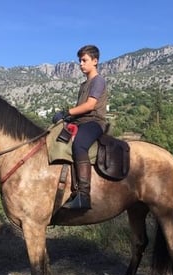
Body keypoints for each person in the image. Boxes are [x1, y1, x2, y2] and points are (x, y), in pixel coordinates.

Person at [52, 45, 108, 210]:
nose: (81, 64)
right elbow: (80, 109)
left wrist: (66, 112)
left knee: (79, 144)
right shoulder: (84, 84)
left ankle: (84, 195)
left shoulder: (98, 81)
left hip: (94, 122)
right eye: (80, 61)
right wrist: (68, 119)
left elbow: (90, 106)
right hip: (80, 122)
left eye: (84, 60)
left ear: (95, 61)